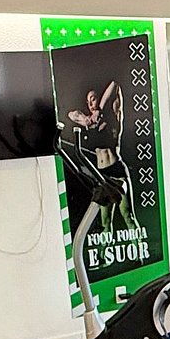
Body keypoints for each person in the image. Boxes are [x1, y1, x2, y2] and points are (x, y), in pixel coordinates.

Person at [68, 81, 135, 231]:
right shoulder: (90, 122)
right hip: (102, 175)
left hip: (117, 172)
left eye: (93, 99)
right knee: (105, 222)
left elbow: (115, 85)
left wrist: (99, 109)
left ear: (99, 99)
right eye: (88, 101)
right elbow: (71, 114)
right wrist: (85, 119)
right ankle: (105, 247)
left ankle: (137, 244)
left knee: (127, 216)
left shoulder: (112, 116)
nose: (90, 104)